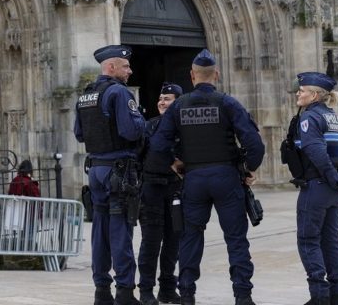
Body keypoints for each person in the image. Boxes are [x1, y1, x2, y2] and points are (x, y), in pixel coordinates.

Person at [149, 49, 266, 305]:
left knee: (191, 237)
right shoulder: (228, 103)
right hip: (226, 177)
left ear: (192, 76)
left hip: (194, 178)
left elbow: (157, 144)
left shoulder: (179, 105)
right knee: (236, 239)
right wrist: (247, 169)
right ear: (217, 75)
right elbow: (255, 144)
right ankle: (243, 296)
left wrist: (175, 163)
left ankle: (188, 295)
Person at [75, 44, 147, 305]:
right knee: (120, 231)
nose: (130, 71)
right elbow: (130, 132)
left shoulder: (86, 95)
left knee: (100, 232)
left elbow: (79, 134)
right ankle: (125, 293)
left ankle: (101, 292)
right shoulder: (118, 93)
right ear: (111, 67)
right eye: (126, 66)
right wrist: (142, 122)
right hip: (119, 171)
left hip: (95, 170)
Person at [293, 72, 338, 305]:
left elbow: (315, 152)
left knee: (308, 240)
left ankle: (319, 297)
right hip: (332, 190)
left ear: (315, 95)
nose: (298, 93)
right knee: (331, 240)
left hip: (317, 187)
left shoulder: (309, 117)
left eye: (302, 90)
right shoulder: (333, 118)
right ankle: (337, 295)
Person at [138, 82, 184, 305]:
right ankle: (146, 289)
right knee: (151, 241)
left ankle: (167, 288)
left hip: (177, 189)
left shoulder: (186, 127)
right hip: (152, 188)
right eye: (160, 98)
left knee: (173, 241)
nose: (162, 102)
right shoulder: (149, 127)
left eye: (168, 98)